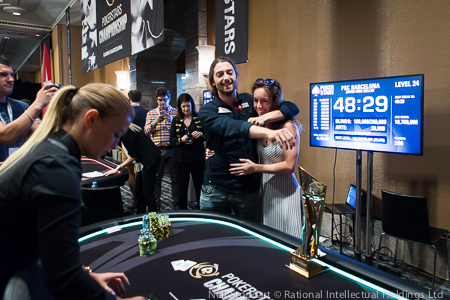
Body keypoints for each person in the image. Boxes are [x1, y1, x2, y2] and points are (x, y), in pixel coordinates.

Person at [0, 83, 145, 300]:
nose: (116, 145)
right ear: (91, 119)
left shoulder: (51, 148)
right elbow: (62, 278)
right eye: (116, 134)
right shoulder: (57, 168)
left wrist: (86, 275)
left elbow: (48, 250)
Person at [198, 56, 299, 222]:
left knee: (250, 241)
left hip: (248, 190)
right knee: (214, 240)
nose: (226, 77)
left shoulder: (249, 101)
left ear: (236, 76)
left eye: (229, 72)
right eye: (220, 74)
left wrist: (268, 117)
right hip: (216, 189)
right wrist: (268, 133)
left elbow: (291, 107)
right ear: (213, 82)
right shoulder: (207, 111)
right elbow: (229, 126)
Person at [229, 78, 303, 238]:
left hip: (285, 191)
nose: (259, 106)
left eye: (264, 101)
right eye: (255, 101)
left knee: (288, 242)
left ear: (275, 102)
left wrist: (255, 168)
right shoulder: (255, 122)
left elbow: (290, 166)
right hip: (264, 189)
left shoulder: (287, 126)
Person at [0, 55, 57, 162]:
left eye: (12, 75)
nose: (11, 79)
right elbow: (6, 136)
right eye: (3, 75)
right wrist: (38, 103)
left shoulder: (21, 106)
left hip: (16, 172)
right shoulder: (30, 108)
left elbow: (43, 134)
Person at [105, 123, 161, 214]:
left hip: (151, 160)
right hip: (143, 161)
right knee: (139, 192)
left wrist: (118, 168)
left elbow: (133, 155)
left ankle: (153, 219)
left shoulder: (126, 133)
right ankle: (140, 215)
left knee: (148, 193)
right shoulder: (126, 129)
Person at [144, 87, 178, 209]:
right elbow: (146, 131)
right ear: (156, 100)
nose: (162, 102)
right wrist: (155, 122)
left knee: (175, 178)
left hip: (172, 149)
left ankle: (176, 204)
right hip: (157, 150)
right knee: (157, 179)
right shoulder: (151, 113)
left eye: (164, 100)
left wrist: (170, 120)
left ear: (169, 99)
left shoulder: (176, 112)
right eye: (159, 100)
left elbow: (180, 129)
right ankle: (156, 204)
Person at [170, 93, 205, 209]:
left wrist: (200, 134)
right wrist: (181, 139)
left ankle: (202, 209)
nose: (186, 109)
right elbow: (172, 140)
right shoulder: (176, 120)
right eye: (183, 106)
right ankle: (182, 211)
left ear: (192, 105)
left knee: (199, 185)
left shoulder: (199, 118)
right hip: (181, 159)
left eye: (188, 106)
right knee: (182, 187)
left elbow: (207, 136)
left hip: (197, 158)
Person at [124, 90, 149, 198]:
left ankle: (135, 198)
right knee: (141, 172)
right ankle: (143, 197)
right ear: (140, 99)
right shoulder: (146, 112)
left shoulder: (126, 113)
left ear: (129, 99)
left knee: (130, 172)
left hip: (128, 146)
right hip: (143, 146)